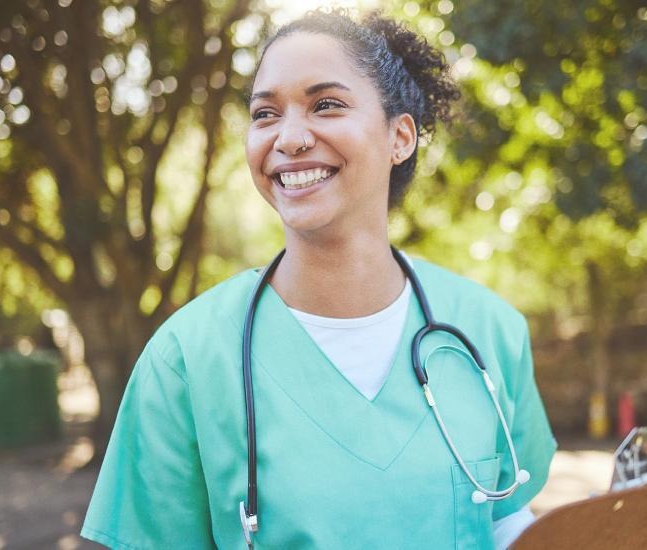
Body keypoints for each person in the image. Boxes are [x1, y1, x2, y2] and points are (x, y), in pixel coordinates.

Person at [81, 9, 556, 549]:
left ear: (400, 137)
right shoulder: (185, 359)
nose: (289, 137)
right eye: (265, 114)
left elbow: (503, 519)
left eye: (325, 105)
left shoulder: (488, 330)